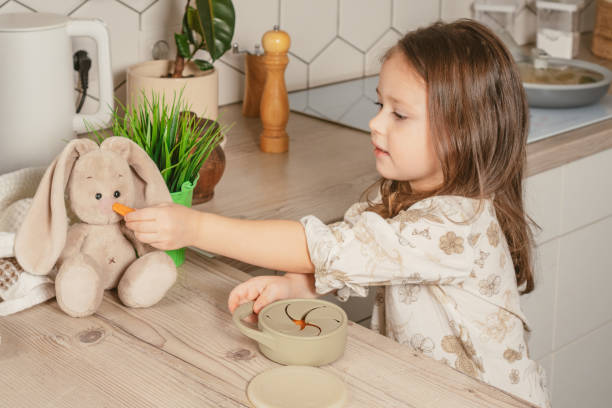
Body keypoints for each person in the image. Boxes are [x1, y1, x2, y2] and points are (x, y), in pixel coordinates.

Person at [124, 20, 550, 407]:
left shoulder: (455, 225)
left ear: (463, 133)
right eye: (380, 104)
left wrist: (194, 227)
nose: (375, 123)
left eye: (399, 114)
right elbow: (355, 250)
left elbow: (319, 247)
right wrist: (299, 283)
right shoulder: (409, 195)